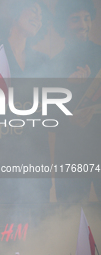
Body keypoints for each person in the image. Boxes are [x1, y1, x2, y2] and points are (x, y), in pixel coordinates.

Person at [0, 0, 52, 204]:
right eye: (33, 10)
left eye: (41, 16)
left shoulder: (43, 61)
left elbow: (49, 110)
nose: (38, 18)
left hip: (35, 156)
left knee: (36, 228)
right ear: (15, 11)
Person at [51, 0, 101, 203]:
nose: (83, 25)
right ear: (63, 25)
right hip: (71, 155)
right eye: (75, 20)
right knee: (71, 220)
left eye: (87, 18)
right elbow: (43, 113)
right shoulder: (53, 64)